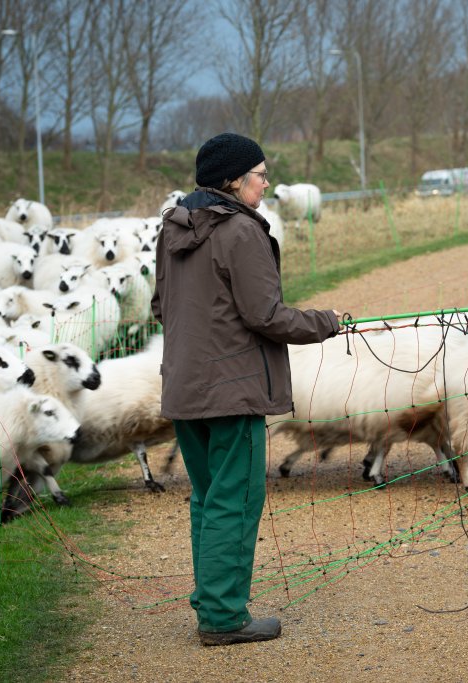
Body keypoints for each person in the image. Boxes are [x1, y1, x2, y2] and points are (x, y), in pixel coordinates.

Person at [151, 132, 341, 646]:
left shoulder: (172, 228)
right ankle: (223, 617)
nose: (266, 182)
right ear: (233, 180)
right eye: (259, 173)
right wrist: (327, 321)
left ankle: (212, 601)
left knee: (210, 498)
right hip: (233, 393)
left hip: (187, 389)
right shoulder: (240, 231)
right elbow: (266, 315)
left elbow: (161, 308)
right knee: (235, 503)